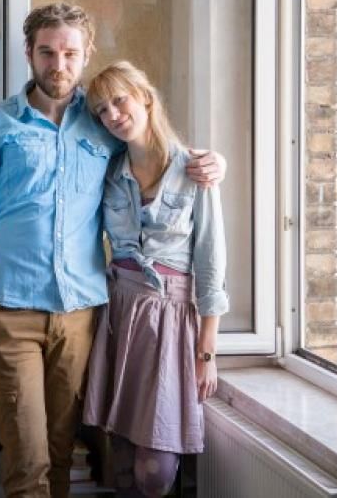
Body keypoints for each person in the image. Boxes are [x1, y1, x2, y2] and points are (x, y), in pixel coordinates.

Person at [0, 2, 224, 498]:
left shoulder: (104, 124)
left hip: (82, 316)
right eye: (47, 52)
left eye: (70, 53)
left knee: (61, 456)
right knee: (26, 462)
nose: (59, 65)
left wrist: (211, 162)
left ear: (87, 52)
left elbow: (154, 152)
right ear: (29, 52)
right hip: (9, 314)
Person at [80, 61, 228, 497]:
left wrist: (207, 351)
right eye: (102, 110)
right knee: (123, 457)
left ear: (145, 97)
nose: (112, 115)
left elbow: (211, 262)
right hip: (120, 312)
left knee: (156, 471)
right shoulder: (109, 173)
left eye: (119, 100)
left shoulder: (195, 170)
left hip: (170, 319)